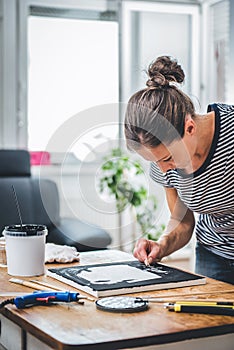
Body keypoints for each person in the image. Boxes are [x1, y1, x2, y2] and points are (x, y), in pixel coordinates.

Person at [124, 55, 234, 284]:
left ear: (190, 127)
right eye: (155, 162)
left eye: (168, 158)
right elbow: (183, 221)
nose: (164, 170)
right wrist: (162, 245)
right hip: (213, 254)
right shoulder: (163, 163)